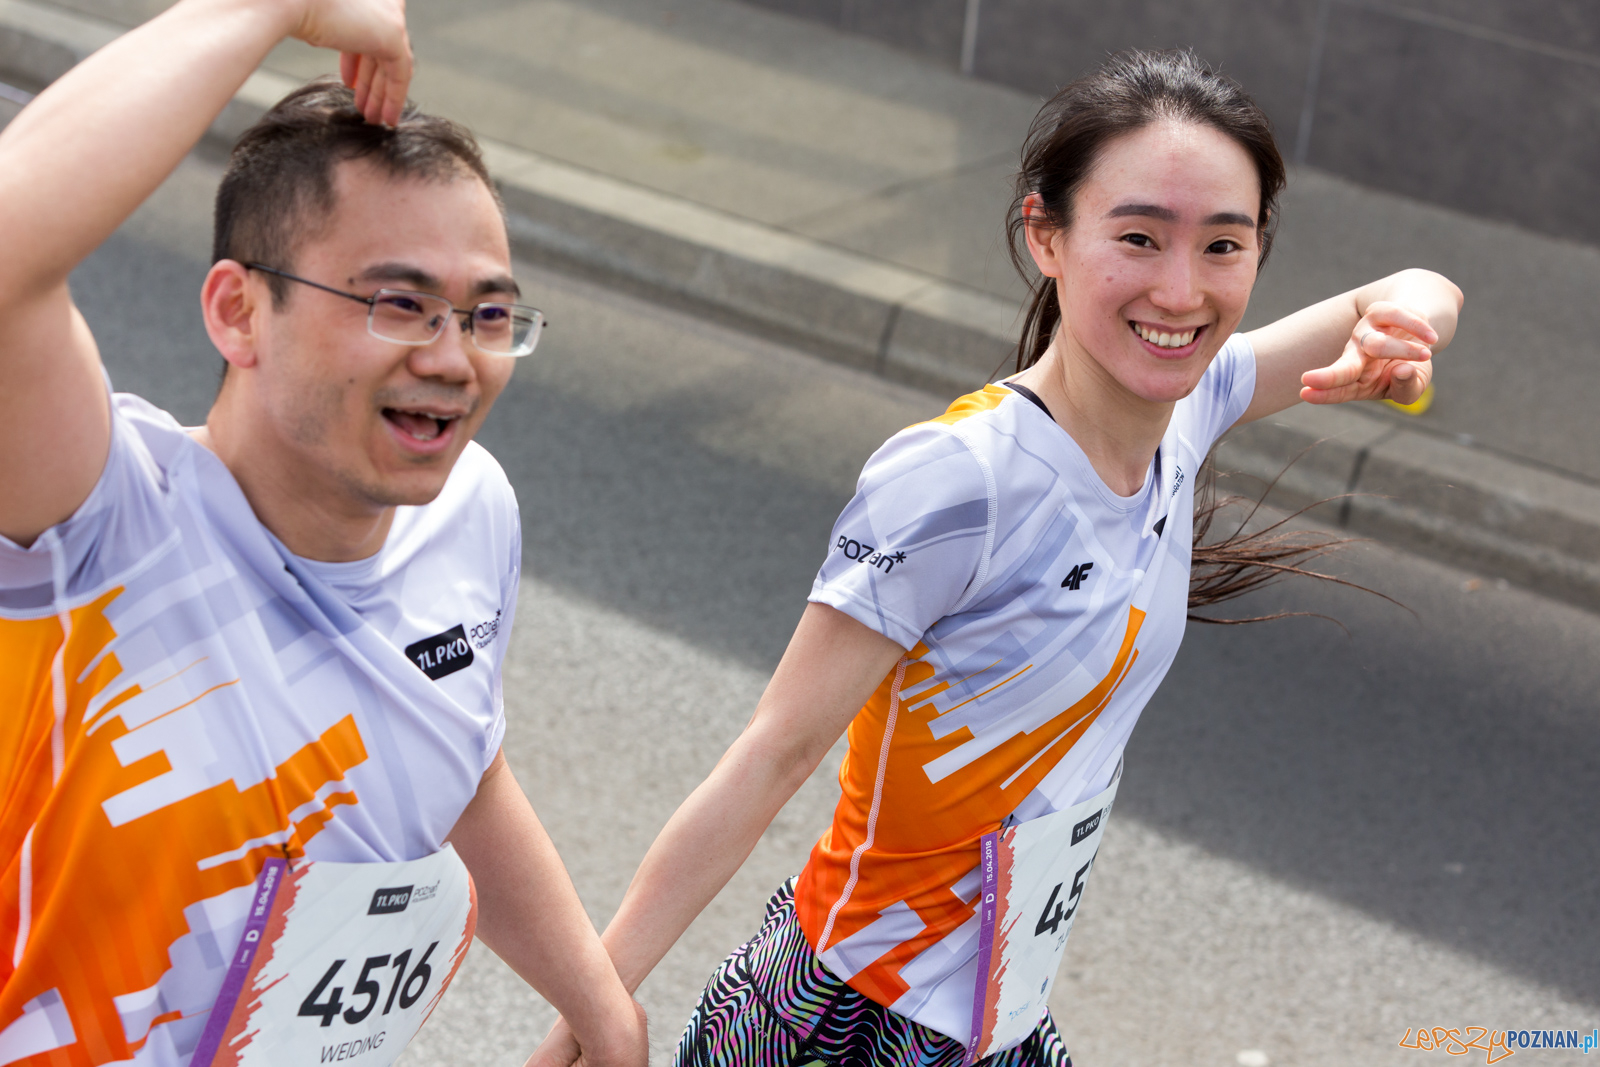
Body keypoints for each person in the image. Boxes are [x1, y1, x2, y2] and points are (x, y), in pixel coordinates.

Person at [533, 49, 1464, 1067]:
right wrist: (592, 1005)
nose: (1180, 288)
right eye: (1138, 237)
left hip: (996, 1022)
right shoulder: (959, 479)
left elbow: (1418, 281)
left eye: (1222, 246)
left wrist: (1408, 325)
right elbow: (771, 754)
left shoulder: (1190, 407)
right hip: (850, 1022)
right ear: (1046, 235)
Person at [0, 1, 645, 1064]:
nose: (454, 356)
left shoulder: (469, 508)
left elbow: (452, 747)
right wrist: (270, 7)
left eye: (489, 314)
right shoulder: (100, 521)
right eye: (399, 302)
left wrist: (601, 1003)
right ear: (238, 312)